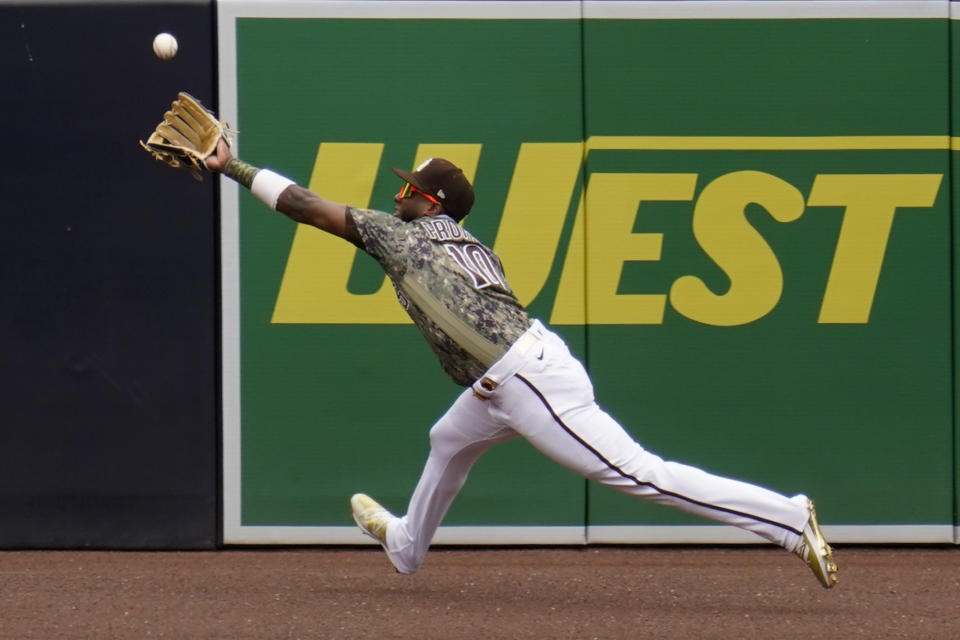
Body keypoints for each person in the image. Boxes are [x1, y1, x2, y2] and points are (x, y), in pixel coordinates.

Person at [203, 139, 838, 588]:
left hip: (527, 380)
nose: (398, 196)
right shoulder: (470, 244)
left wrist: (233, 166)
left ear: (432, 204)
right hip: (505, 375)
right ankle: (404, 547)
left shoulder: (406, 234)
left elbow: (305, 205)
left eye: (409, 189)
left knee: (641, 474)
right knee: (446, 440)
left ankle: (787, 517)